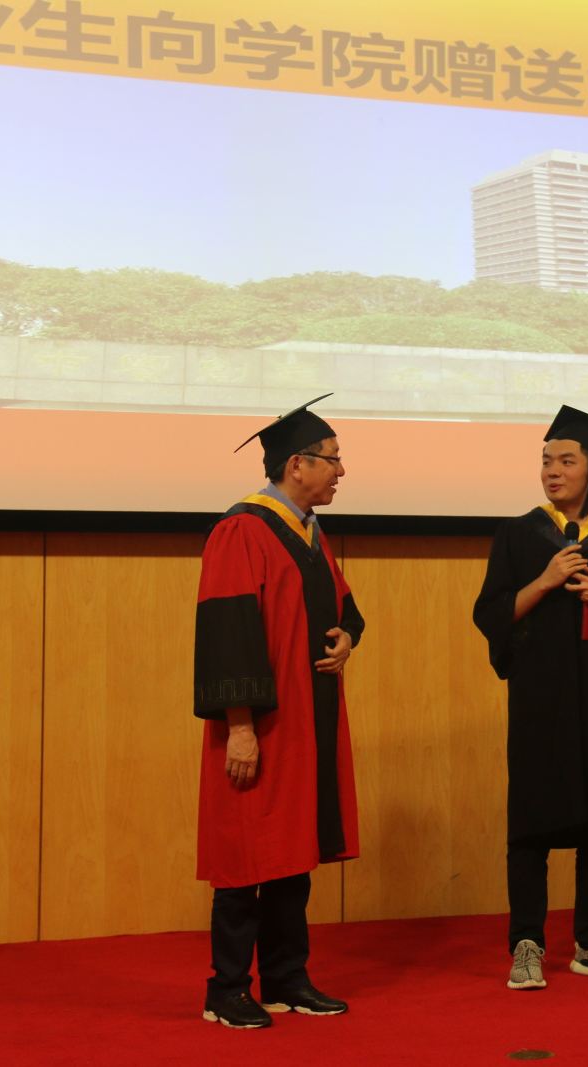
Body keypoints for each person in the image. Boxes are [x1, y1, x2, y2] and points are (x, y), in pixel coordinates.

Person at [472, 406, 588, 991]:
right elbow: (490, 615)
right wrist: (545, 580)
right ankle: (527, 942)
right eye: (546, 461)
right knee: (529, 821)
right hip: (537, 696)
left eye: (566, 461)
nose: (552, 471)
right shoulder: (518, 534)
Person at [193, 393, 364, 1028]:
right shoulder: (243, 529)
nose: (341, 470)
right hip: (260, 724)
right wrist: (239, 728)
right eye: (333, 459)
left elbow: (344, 609)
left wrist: (347, 637)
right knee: (246, 858)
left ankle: (287, 978)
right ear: (298, 465)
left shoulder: (309, 532)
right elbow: (228, 633)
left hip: (307, 721)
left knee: (293, 855)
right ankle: (227, 989)